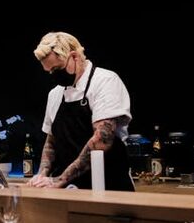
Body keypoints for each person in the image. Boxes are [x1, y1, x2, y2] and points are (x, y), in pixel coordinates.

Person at [28, 32, 134, 191]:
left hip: (109, 185)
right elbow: (51, 141)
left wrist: (60, 179)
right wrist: (42, 174)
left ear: (74, 57)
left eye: (57, 69)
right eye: (49, 71)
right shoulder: (55, 94)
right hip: (70, 189)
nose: (53, 75)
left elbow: (101, 140)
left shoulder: (105, 81)